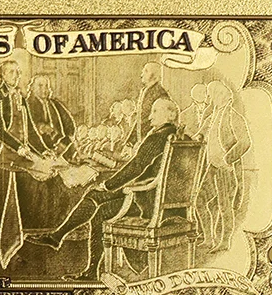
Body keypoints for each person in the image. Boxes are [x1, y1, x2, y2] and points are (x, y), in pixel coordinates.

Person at [32, 98, 181, 279]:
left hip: (145, 200)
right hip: (155, 197)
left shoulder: (158, 137)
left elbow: (137, 166)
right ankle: (58, 238)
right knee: (94, 194)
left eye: (155, 111)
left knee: (100, 209)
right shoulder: (178, 136)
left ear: (171, 115)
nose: (150, 117)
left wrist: (108, 185)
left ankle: (88, 268)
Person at [199, 82, 251, 251]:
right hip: (212, 166)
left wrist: (227, 159)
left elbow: (245, 142)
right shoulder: (214, 115)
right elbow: (201, 134)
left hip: (225, 168)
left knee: (224, 206)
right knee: (199, 200)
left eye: (211, 94)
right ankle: (209, 238)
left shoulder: (233, 116)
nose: (209, 98)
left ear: (221, 95)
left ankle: (224, 242)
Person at [0, 59, 46, 164]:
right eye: (11, 72)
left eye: (18, 72)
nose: (16, 75)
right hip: (3, 153)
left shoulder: (20, 97)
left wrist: (43, 150)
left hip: (23, 152)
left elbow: (30, 129)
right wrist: (18, 147)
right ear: (3, 75)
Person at [26, 75, 76, 155]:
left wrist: (63, 144)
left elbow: (70, 125)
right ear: (32, 88)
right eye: (40, 86)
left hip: (59, 150)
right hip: (37, 150)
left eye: (46, 86)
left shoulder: (55, 104)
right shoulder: (27, 105)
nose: (44, 90)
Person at [129, 62, 170, 145]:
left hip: (153, 139)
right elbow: (139, 119)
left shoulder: (159, 93)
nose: (142, 75)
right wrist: (131, 141)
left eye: (146, 71)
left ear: (154, 75)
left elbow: (159, 121)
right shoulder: (144, 91)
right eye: (143, 71)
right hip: (141, 139)